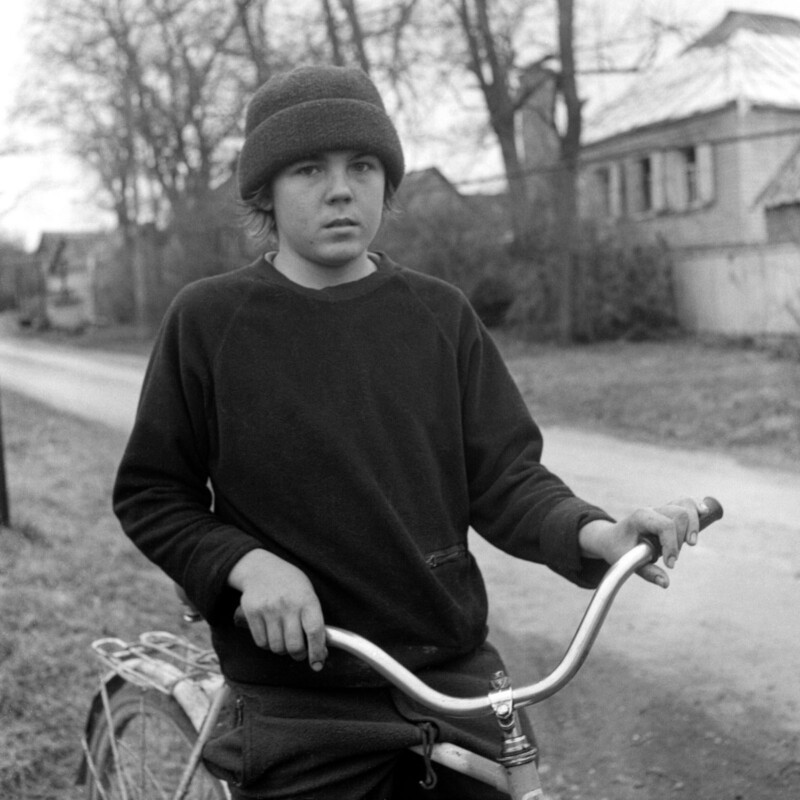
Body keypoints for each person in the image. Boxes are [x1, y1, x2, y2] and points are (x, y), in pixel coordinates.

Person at [113, 64, 703, 799]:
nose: (340, 188)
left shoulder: (439, 315)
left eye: (362, 165)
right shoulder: (209, 321)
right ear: (263, 190)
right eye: (308, 168)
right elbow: (152, 494)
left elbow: (507, 480)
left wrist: (598, 534)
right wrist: (245, 564)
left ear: (387, 181)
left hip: (451, 677)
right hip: (303, 696)